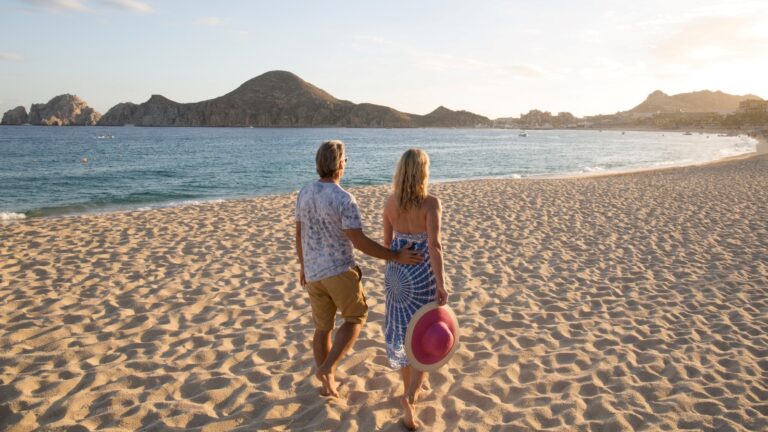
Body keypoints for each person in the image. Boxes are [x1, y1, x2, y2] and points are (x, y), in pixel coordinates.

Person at [295, 140, 422, 398]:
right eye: (346, 160)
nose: (346, 164)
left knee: (323, 328)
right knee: (356, 318)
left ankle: (327, 384)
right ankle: (327, 367)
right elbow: (360, 241)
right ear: (339, 164)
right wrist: (395, 255)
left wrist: (303, 265)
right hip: (339, 271)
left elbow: (299, 233)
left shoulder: (304, 193)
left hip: (313, 273)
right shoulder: (344, 199)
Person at [382, 148, 448, 430]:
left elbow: (386, 245)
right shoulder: (430, 203)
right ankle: (410, 396)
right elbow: (434, 246)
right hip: (421, 274)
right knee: (422, 335)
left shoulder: (389, 202)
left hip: (397, 275)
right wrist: (441, 283)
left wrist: (397, 260)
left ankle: (410, 386)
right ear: (423, 172)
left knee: (401, 329)